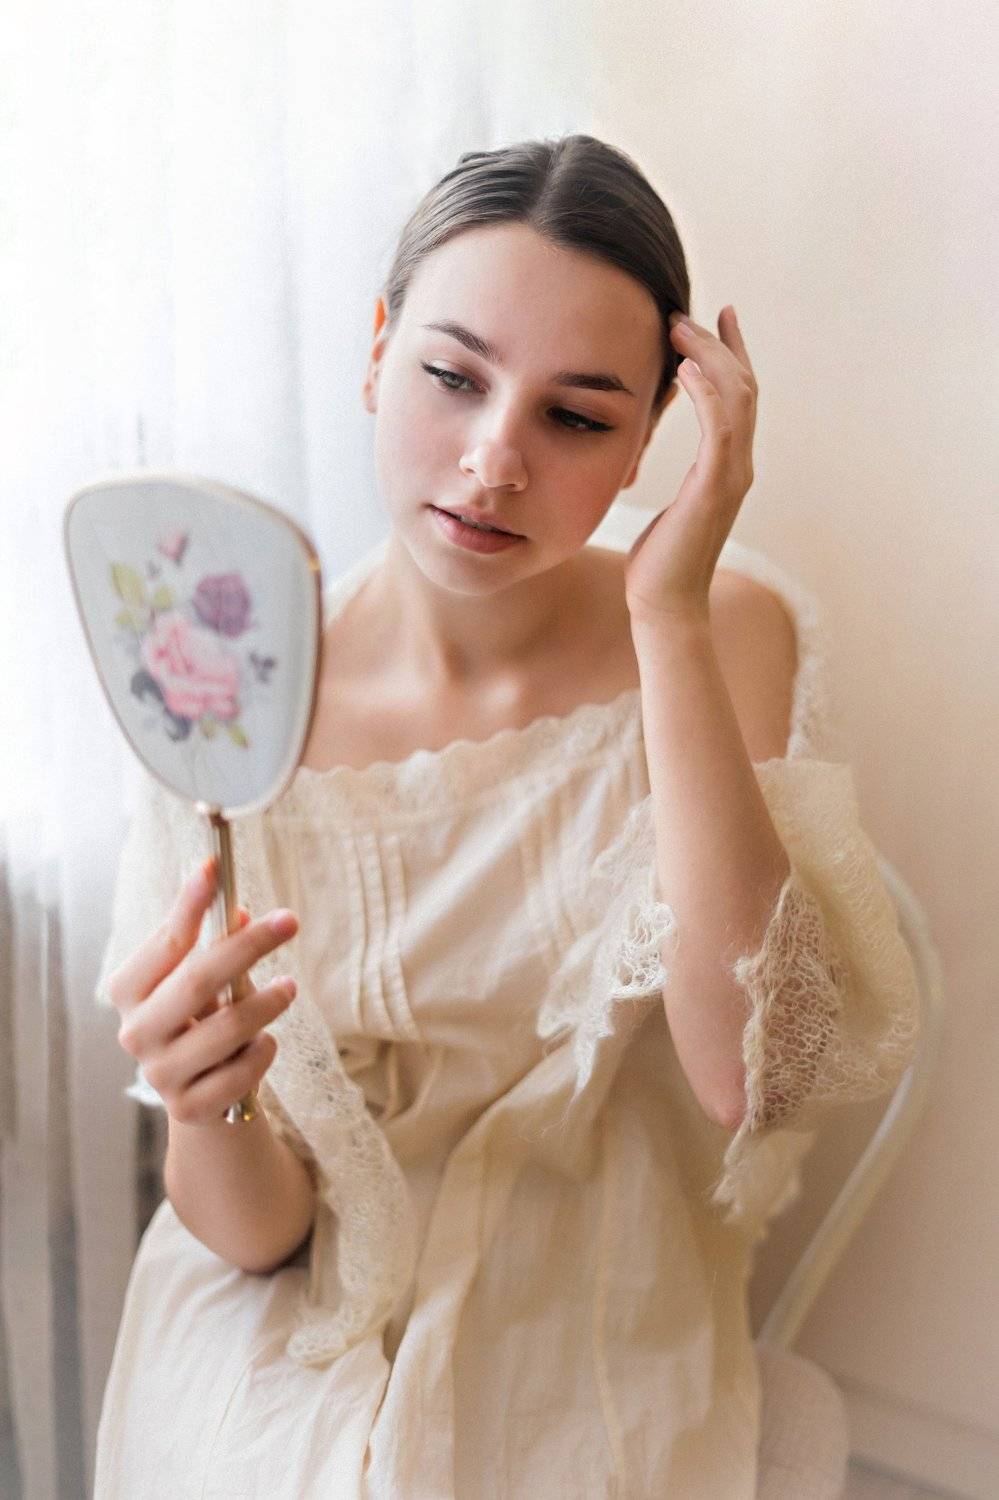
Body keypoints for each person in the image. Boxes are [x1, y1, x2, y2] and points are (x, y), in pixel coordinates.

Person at [92, 134, 920, 1497]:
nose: (492, 464)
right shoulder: (228, 693)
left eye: (577, 418)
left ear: (653, 438)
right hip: (284, 1303)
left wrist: (667, 615)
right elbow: (258, 1237)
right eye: (452, 377)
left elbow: (747, 1074)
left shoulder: (724, 628)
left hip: (591, 1283)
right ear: (377, 352)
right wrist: (206, 1105)